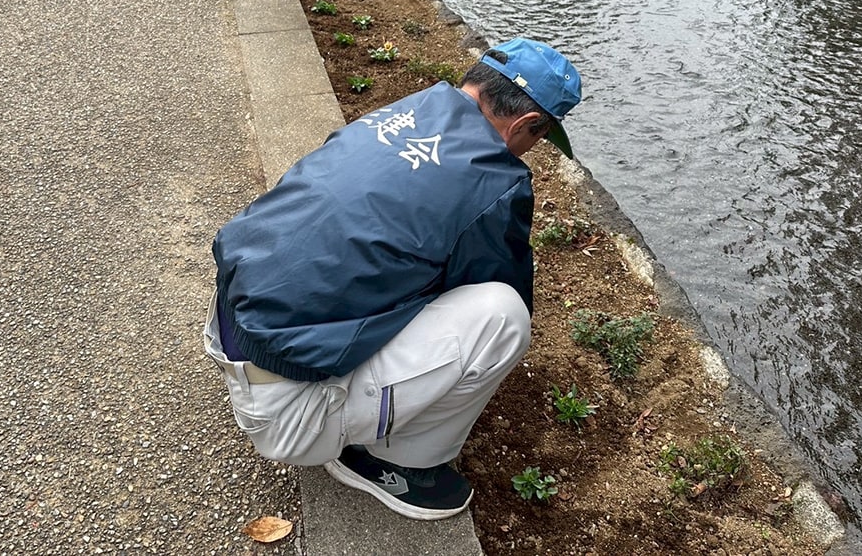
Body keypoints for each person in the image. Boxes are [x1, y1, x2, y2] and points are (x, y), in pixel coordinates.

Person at [205, 38, 583, 520]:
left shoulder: (409, 108)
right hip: (284, 413)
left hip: (231, 322)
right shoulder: (497, 179)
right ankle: (392, 463)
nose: (530, 151)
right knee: (502, 318)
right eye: (538, 138)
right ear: (527, 124)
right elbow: (504, 290)